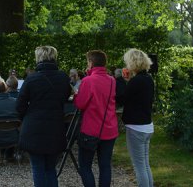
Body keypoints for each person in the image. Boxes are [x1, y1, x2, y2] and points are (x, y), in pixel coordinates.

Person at [17, 46, 71, 187]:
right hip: (55, 127)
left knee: (38, 168)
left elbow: (19, 106)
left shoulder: (31, 79)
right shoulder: (63, 78)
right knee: (50, 168)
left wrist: (29, 115)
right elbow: (64, 98)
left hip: (34, 128)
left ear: (38, 58)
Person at [74, 50, 118, 187]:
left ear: (91, 63)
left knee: (85, 166)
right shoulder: (112, 80)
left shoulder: (88, 81)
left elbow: (81, 104)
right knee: (105, 166)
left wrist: (76, 94)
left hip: (91, 130)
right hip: (109, 128)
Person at [117, 49, 155, 187]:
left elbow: (121, 98)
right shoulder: (148, 79)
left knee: (139, 166)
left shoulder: (136, 81)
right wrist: (128, 80)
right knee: (144, 164)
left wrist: (122, 80)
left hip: (136, 127)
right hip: (147, 125)